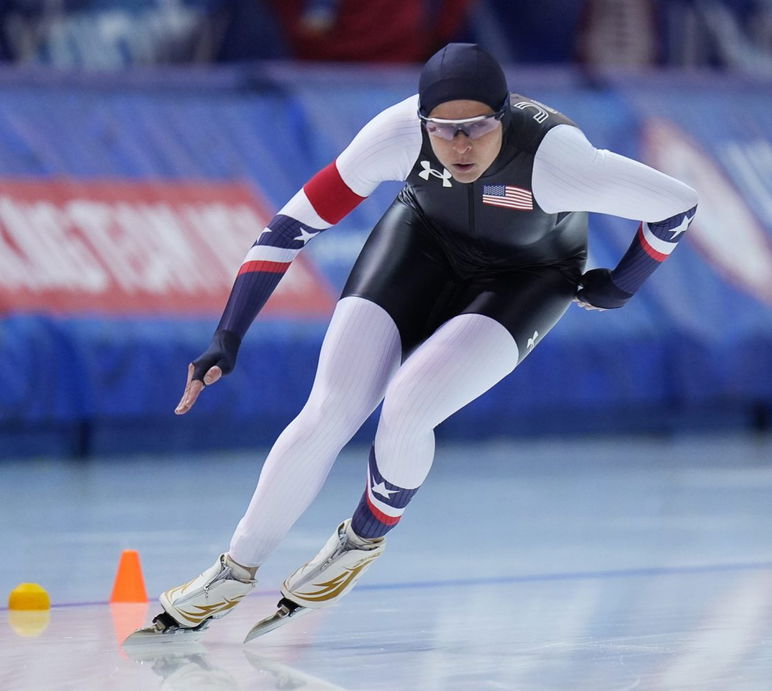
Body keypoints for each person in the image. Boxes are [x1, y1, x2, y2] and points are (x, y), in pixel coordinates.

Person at [144, 43, 698, 637]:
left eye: (477, 128)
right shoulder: (395, 134)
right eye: (443, 130)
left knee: (409, 406)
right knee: (330, 408)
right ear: (421, 121)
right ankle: (234, 571)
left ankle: (360, 540)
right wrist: (228, 334)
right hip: (422, 244)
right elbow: (289, 227)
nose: (460, 146)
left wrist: (622, 284)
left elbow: (677, 205)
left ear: (504, 116)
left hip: (526, 277)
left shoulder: (558, 161)